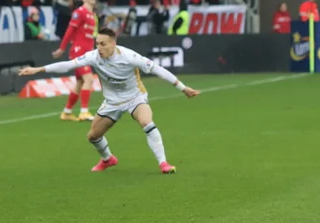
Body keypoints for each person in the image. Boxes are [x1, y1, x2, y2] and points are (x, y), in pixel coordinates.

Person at [20, 28, 200, 174]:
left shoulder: (130, 56)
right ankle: (108, 159)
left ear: (113, 44)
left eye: (103, 44)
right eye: (97, 43)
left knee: (147, 122)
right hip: (112, 102)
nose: (99, 47)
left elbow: (158, 69)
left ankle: (163, 164)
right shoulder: (94, 56)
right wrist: (38, 70)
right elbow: (69, 64)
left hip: (135, 97)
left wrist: (182, 88)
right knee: (92, 136)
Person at [53, 0, 98, 121]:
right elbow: (69, 31)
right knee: (89, 79)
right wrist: (62, 48)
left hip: (87, 52)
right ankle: (84, 111)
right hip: (79, 52)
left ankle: (67, 112)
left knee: (80, 82)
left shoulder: (92, 15)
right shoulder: (80, 12)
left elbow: (90, 37)